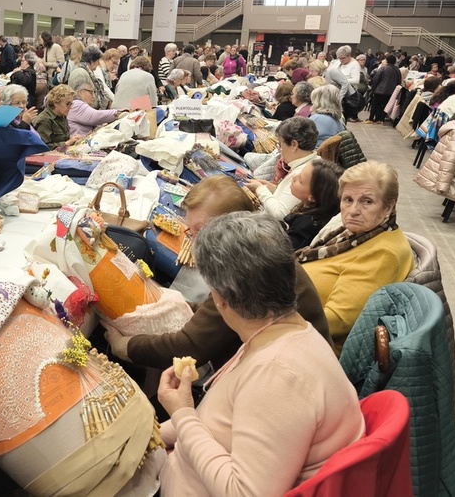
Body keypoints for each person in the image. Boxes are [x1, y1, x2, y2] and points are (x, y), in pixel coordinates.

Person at [156, 211, 364, 496]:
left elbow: (245, 492)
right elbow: (219, 425)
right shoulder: (281, 333)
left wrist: (181, 413)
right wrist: (152, 433)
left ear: (220, 299)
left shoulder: (278, 373)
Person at [107, 175, 331, 372]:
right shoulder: (258, 249)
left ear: (228, 227)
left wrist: (123, 346)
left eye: (198, 231)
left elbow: (189, 348)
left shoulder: (244, 271)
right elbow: (211, 314)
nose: (192, 241)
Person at [298, 161, 415, 353]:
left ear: (388, 207)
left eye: (367, 201)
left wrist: (269, 317)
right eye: (348, 199)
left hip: (313, 347)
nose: (353, 210)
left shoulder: (383, 254)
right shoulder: (355, 234)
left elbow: (336, 320)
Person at [246, 117, 319, 218]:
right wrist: (276, 190)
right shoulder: (313, 162)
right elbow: (290, 200)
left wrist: (260, 189)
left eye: (280, 144)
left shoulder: (304, 172)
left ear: (294, 145)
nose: (279, 149)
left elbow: (280, 214)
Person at [284, 158, 344, 250]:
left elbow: (284, 251)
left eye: (300, 180)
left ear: (312, 197)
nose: (294, 177)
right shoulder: (315, 209)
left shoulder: (306, 226)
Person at [34, 84, 84, 149]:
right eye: (68, 104)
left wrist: (73, 139)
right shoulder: (45, 120)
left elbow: (63, 138)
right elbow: (43, 147)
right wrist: (67, 143)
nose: (70, 107)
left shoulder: (62, 116)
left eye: (71, 104)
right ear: (56, 102)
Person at [368, 55, 402, 124]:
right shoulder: (397, 70)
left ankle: (371, 118)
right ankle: (380, 119)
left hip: (379, 90)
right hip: (391, 92)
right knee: (384, 105)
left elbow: (376, 79)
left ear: (387, 61)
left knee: (375, 104)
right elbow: (399, 81)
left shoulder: (383, 68)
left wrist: (373, 89)